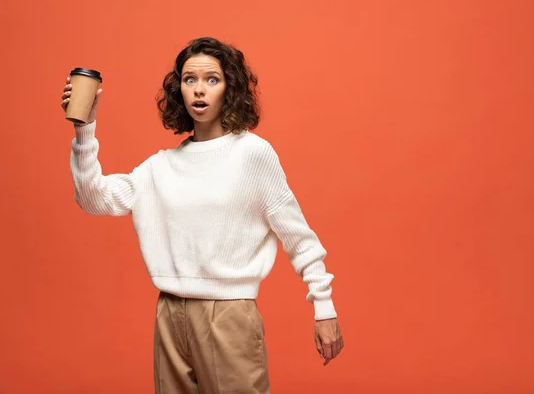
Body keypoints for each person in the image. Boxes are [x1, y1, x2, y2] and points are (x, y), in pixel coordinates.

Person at [61, 37, 343, 393]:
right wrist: (84, 129)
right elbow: (92, 198)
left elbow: (299, 239)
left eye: (212, 79)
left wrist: (324, 308)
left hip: (228, 314)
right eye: (189, 79)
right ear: (178, 88)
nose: (199, 90)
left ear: (231, 88)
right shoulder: (160, 166)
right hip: (170, 311)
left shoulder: (253, 155)